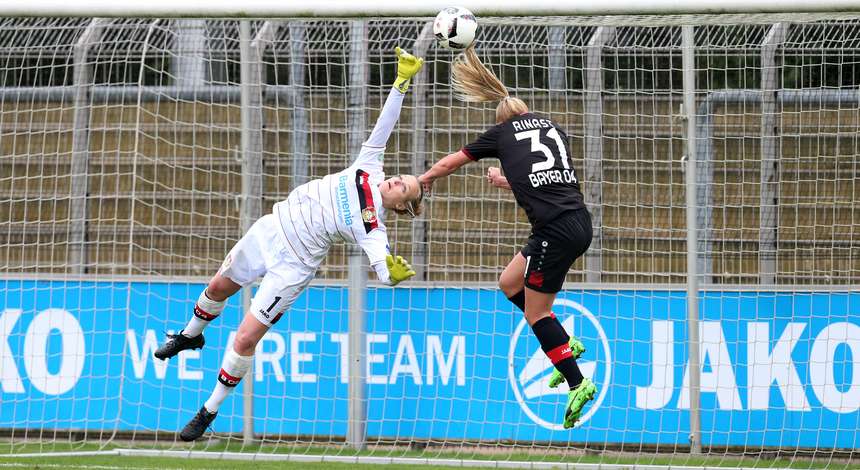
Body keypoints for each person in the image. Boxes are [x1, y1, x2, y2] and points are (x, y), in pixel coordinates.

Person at [154, 47, 426, 442]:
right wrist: (401, 83)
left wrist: (392, 275)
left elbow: (382, 267)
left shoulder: (374, 229)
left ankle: (208, 411)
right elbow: (386, 121)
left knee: (245, 338)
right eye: (401, 176)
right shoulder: (369, 166)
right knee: (217, 287)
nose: (397, 181)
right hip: (271, 230)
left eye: (404, 188)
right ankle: (189, 335)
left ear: (403, 206)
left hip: (293, 267)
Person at [418, 48, 595, 429]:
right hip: (577, 221)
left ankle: (577, 381)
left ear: (502, 120)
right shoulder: (552, 127)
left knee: (537, 313)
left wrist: (425, 179)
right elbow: (545, 179)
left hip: (554, 231)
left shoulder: (500, 133)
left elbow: (452, 160)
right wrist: (507, 180)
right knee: (509, 282)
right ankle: (565, 344)